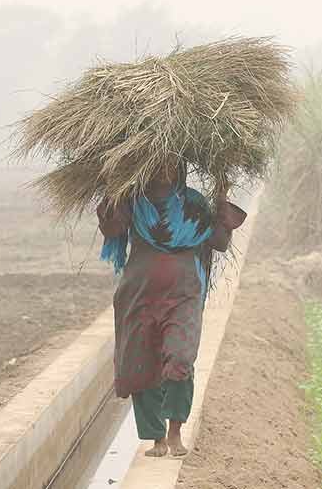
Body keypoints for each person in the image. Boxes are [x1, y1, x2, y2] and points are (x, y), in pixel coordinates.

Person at [96, 163, 246, 457]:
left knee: (180, 358)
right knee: (142, 362)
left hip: (183, 297)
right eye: (158, 165)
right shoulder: (133, 202)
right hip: (138, 299)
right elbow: (112, 227)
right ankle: (157, 439)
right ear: (148, 168)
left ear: (180, 170)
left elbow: (219, 241)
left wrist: (219, 197)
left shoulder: (194, 204)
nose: (164, 172)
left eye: (171, 166)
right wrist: (112, 188)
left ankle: (175, 431)